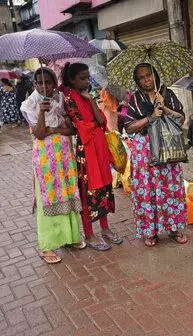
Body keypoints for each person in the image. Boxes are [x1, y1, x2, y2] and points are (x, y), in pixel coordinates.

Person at [118, 63, 188, 247]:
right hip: (145, 151)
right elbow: (128, 127)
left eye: (148, 75)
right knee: (147, 190)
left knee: (170, 188)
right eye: (141, 77)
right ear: (137, 81)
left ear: (154, 75)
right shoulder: (134, 99)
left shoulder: (167, 93)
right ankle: (150, 232)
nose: (146, 80)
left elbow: (181, 119)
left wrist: (164, 108)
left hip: (167, 147)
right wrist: (150, 118)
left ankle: (174, 229)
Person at [20, 67, 85, 264]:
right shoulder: (29, 104)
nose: (44, 86)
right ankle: (47, 246)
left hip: (64, 154)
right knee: (48, 197)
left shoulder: (60, 100)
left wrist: (54, 128)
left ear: (54, 83)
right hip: (45, 158)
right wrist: (41, 113)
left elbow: (71, 130)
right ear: (34, 84)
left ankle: (69, 237)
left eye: (48, 82)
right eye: (39, 83)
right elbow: (39, 134)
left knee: (66, 192)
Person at [60, 63, 122, 251]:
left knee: (104, 186)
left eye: (87, 78)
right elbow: (83, 127)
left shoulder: (87, 96)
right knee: (88, 191)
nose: (87, 81)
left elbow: (102, 122)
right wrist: (94, 122)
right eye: (82, 78)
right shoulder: (69, 99)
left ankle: (104, 228)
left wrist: (92, 102)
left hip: (99, 147)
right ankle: (89, 234)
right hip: (85, 151)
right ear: (72, 80)